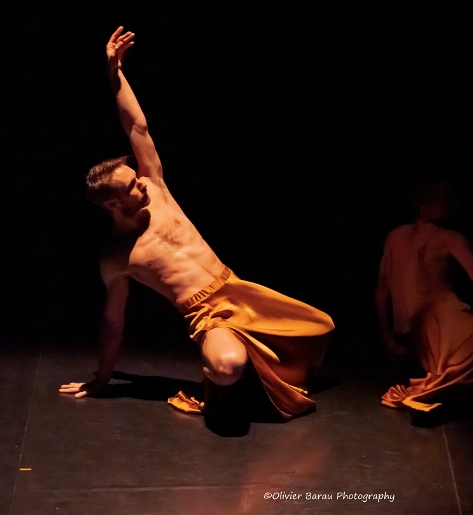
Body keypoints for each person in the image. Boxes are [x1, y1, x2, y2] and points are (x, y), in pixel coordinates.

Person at [60, 27, 334, 422]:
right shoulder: (117, 258)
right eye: (132, 185)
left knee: (320, 327)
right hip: (208, 316)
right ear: (113, 204)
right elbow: (113, 321)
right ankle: (218, 385)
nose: (141, 182)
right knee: (227, 367)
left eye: (137, 177)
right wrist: (102, 379)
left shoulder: (156, 188)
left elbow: (136, 126)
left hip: (237, 289)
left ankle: (256, 375)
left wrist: (115, 72)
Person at [376, 181, 473, 413]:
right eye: (446, 201)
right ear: (424, 207)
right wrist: (386, 335)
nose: (453, 206)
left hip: (426, 331)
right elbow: (382, 290)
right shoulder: (425, 237)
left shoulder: (416, 237)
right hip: (437, 321)